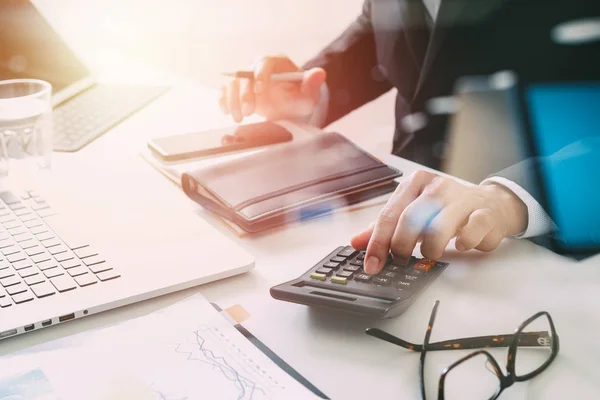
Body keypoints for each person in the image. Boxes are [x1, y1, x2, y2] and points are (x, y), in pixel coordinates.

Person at [219, 0, 600, 273]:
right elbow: (380, 34)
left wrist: (509, 197)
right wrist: (308, 94)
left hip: (531, 251)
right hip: (395, 220)